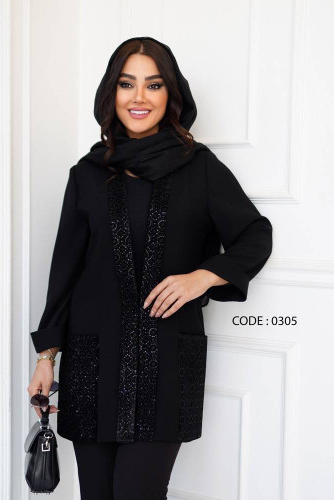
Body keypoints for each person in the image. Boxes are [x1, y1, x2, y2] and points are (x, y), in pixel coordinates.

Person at [28, 36, 273, 500]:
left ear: (171, 95)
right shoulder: (87, 173)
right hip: (92, 363)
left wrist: (203, 276)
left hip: (165, 365)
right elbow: (65, 271)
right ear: (111, 93)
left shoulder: (200, 168)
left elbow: (255, 234)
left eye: (154, 85)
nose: (139, 97)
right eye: (127, 84)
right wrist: (46, 357)